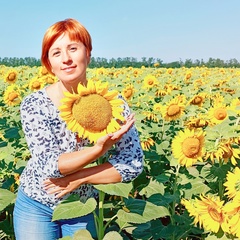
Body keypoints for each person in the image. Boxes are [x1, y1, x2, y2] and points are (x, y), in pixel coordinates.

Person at [13, 18, 144, 240]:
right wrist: (97, 150)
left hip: (82, 207)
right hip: (36, 204)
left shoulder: (113, 104)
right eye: (56, 53)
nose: (66, 59)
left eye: (73, 48)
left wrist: (81, 177)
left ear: (88, 53)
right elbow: (49, 166)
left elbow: (133, 162)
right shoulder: (35, 104)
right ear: (49, 64)